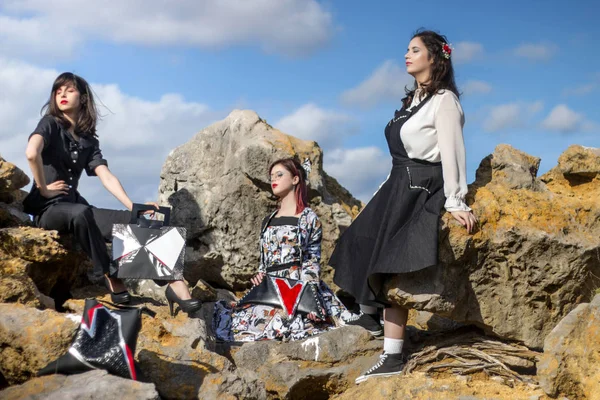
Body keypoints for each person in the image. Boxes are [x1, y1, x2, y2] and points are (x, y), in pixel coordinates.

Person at [329, 30, 478, 383]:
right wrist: (379, 196)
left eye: (415, 50)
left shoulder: (444, 100)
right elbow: (399, 158)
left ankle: (392, 356)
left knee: (393, 261)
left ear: (434, 57)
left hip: (422, 188)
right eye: (407, 50)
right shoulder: (413, 101)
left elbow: (453, 150)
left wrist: (456, 199)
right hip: (397, 185)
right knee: (358, 239)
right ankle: (368, 314)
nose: (407, 55)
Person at [23, 72, 200, 316]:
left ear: (83, 98)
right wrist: (42, 188)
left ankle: (175, 285)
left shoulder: (87, 140)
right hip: (48, 210)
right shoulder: (50, 123)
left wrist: (133, 207)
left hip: (76, 207)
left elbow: (105, 175)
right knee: (81, 213)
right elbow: (32, 153)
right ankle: (109, 274)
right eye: (58, 90)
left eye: (69, 90)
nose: (62, 94)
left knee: (141, 219)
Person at [213, 157, 350, 342]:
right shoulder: (267, 220)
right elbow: (264, 261)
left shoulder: (308, 217)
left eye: (279, 174)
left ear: (295, 179)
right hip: (270, 289)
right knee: (233, 323)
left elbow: (311, 261)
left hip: (297, 286)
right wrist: (260, 276)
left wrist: (310, 300)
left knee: (297, 326)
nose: (273, 180)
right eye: (271, 176)